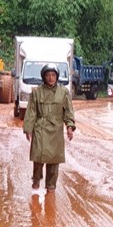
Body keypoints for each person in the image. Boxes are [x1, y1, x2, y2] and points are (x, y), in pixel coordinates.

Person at [23, 63, 76, 193]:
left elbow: (68, 111)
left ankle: (51, 187)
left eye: (53, 75)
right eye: (48, 75)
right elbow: (31, 111)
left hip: (56, 130)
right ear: (44, 77)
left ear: (57, 76)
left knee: (53, 160)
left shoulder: (63, 92)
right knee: (38, 158)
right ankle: (36, 182)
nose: (51, 78)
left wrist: (69, 126)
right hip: (40, 128)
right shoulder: (36, 92)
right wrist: (28, 128)